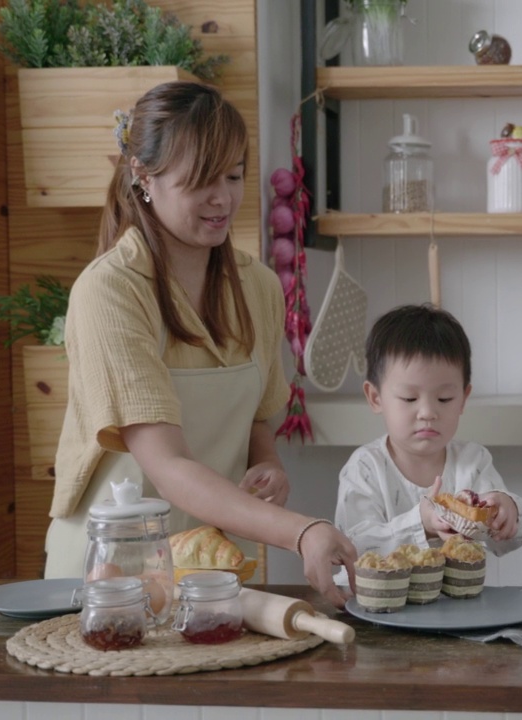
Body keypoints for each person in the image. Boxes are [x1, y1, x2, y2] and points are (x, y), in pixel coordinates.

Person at [43, 81, 356, 607]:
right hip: (112, 574)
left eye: (233, 176)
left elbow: (255, 414)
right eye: (201, 181)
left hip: (214, 564)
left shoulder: (256, 286)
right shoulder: (110, 292)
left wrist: (268, 463)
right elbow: (167, 466)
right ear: (145, 177)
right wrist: (300, 531)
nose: (223, 198)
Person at [334, 304, 522, 560]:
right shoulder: (365, 467)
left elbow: (506, 542)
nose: (428, 412)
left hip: (458, 599)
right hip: (380, 599)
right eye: (409, 398)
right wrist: (421, 522)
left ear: (463, 398)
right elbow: (351, 547)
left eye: (444, 398)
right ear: (375, 398)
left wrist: (507, 510)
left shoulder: (472, 462)